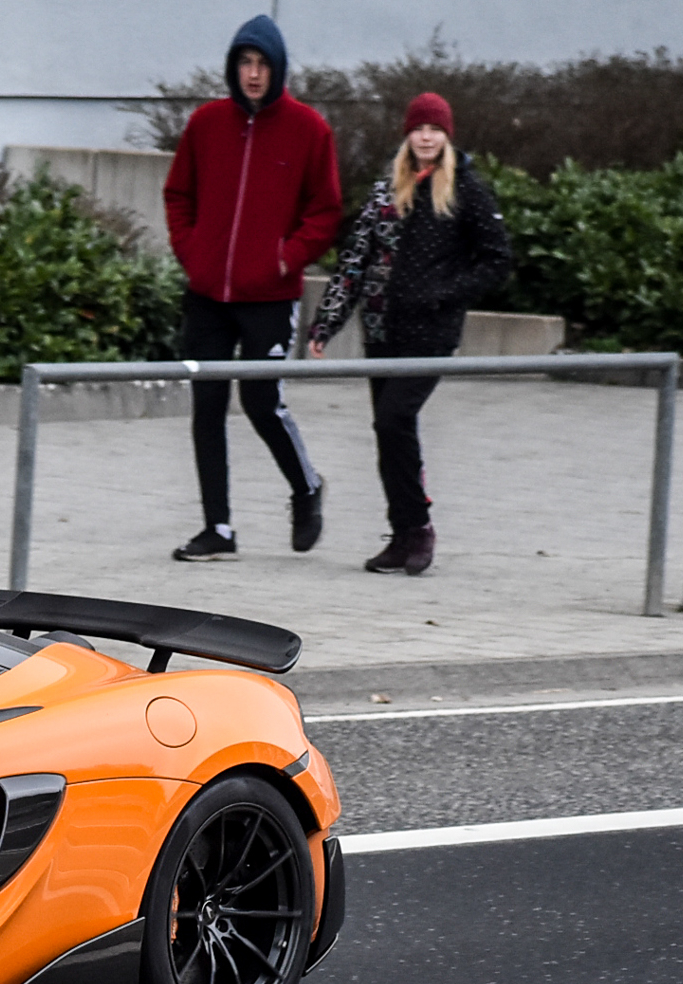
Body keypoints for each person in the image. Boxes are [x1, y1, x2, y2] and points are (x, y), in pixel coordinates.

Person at [307, 92, 512, 576]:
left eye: (435, 129)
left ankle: (419, 527)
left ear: (446, 136)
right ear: (408, 134)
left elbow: (497, 259)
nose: (426, 137)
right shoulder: (386, 193)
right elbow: (353, 264)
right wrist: (325, 325)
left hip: (431, 333)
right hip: (382, 333)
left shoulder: (466, 191)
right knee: (389, 432)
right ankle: (401, 535)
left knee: (394, 421)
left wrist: (444, 292)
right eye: (419, 128)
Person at [161, 15, 343, 562]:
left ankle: (306, 488)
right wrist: (193, 253)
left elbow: (326, 211)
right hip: (208, 295)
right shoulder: (206, 124)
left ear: (278, 68)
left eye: (263, 64)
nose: (254, 74)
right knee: (207, 406)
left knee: (263, 402)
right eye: (245, 63)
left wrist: (284, 259)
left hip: (270, 297)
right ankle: (218, 527)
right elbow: (178, 196)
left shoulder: (309, 129)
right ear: (233, 67)